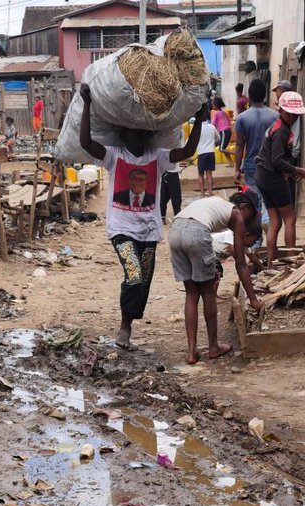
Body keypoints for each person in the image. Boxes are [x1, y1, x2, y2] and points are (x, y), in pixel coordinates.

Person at [78, 83, 207, 351]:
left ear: (149, 136)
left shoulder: (157, 157)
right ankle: (124, 328)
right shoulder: (114, 155)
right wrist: (87, 104)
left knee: (143, 283)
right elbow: (85, 143)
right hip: (121, 229)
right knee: (134, 275)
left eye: (141, 134)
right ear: (123, 135)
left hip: (149, 231)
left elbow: (187, 152)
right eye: (130, 134)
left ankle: (129, 323)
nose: (135, 139)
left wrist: (200, 121)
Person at [168, 189, 265, 364]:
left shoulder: (216, 202)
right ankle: (213, 347)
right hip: (196, 231)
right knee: (208, 292)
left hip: (175, 230)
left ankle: (192, 352)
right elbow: (241, 264)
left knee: (191, 293)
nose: (247, 222)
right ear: (244, 206)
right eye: (250, 215)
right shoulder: (236, 214)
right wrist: (253, 299)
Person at [255, 91, 305, 266]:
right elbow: (277, 160)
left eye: (295, 114)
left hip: (263, 175)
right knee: (290, 218)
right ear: (281, 111)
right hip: (271, 176)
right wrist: (298, 170)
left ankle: (271, 263)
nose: (293, 117)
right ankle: (293, 261)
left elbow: (275, 159)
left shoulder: (278, 126)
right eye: (290, 113)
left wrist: (289, 172)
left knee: (275, 222)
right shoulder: (281, 131)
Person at [234, 79, 279, 189]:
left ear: (249, 95)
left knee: (255, 199)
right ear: (264, 95)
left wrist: (237, 169)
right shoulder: (275, 116)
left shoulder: (242, 118)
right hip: (271, 165)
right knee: (270, 199)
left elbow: (239, 145)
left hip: (251, 164)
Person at [272, 80, 302, 200]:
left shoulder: (292, 115)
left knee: (287, 188)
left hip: (289, 155)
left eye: (278, 91)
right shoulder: (283, 117)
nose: (277, 95)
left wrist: (292, 159)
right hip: (284, 155)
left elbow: (295, 137)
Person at [196, 115, 220, 197]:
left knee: (200, 174)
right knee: (209, 174)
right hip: (211, 152)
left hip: (201, 153)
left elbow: (191, 141)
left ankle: (202, 195)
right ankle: (210, 194)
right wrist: (213, 142)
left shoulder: (197, 128)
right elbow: (218, 138)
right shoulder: (212, 127)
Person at [211, 97, 234, 165]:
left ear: (216, 105)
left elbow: (212, 125)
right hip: (227, 131)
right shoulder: (222, 112)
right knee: (223, 148)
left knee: (221, 149)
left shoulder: (216, 113)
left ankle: (237, 153)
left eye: (213, 104)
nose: (212, 106)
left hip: (224, 131)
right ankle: (231, 163)